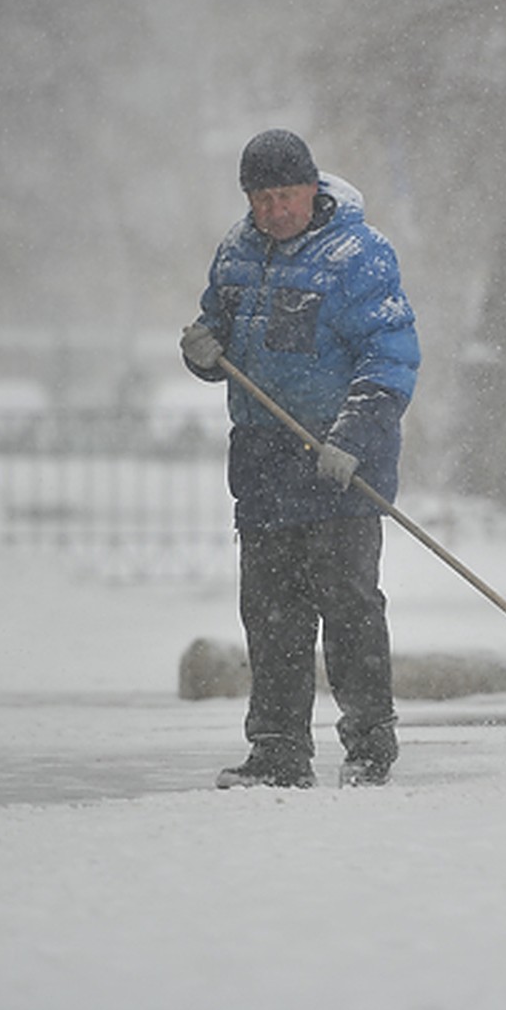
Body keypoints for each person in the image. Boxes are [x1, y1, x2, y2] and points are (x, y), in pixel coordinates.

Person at [181, 129, 420, 789]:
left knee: (349, 612)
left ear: (312, 188)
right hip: (263, 465)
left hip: (338, 465)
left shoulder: (358, 256)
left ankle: (370, 747)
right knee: (270, 615)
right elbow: (221, 337)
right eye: (259, 198)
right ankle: (278, 751)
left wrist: (354, 437)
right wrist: (202, 351)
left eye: (283, 195)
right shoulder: (235, 254)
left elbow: (390, 357)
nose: (272, 211)